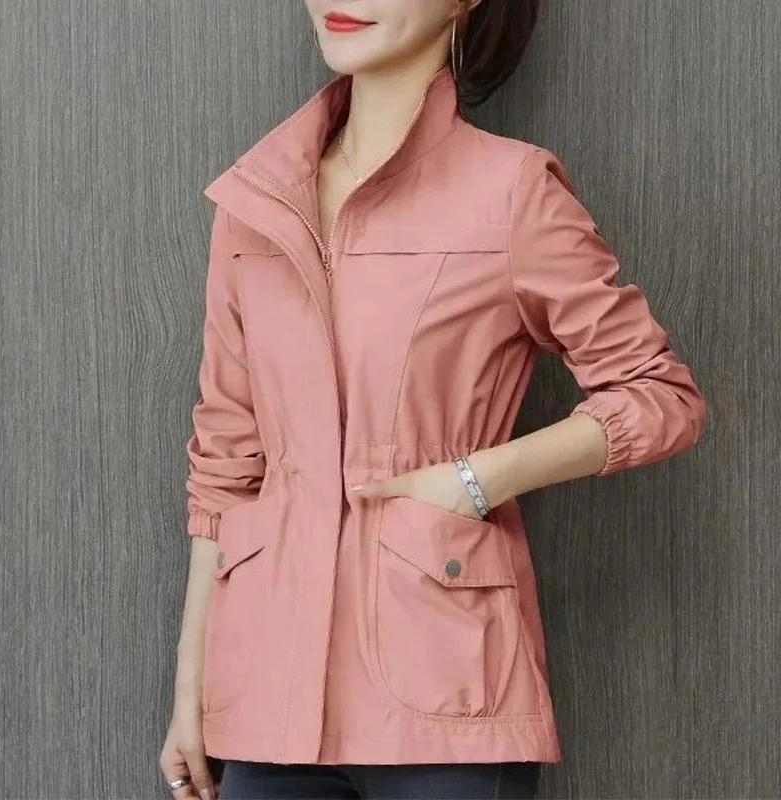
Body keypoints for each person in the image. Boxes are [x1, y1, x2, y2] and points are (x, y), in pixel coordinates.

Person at [159, 1, 707, 798]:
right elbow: (224, 471)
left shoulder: (510, 191)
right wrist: (193, 693)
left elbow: (660, 394)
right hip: (266, 703)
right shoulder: (254, 203)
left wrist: (475, 478)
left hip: (445, 694)